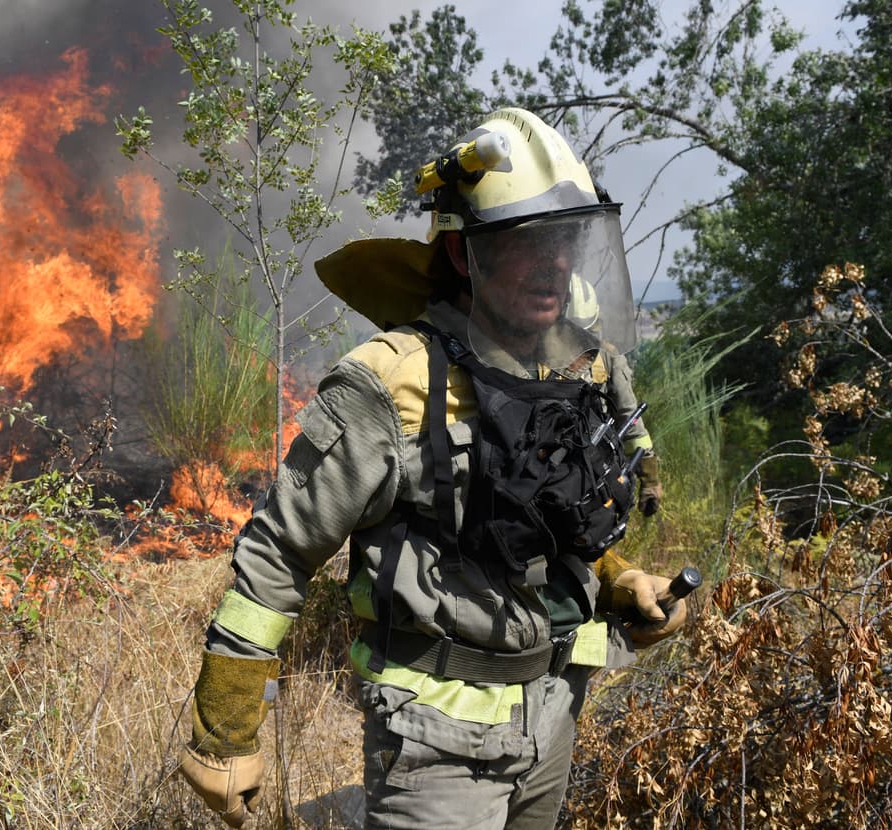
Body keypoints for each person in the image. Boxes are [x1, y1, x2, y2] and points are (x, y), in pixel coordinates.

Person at [177, 107, 688, 829]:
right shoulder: (390, 383)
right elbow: (278, 553)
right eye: (527, 244)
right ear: (461, 255)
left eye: (567, 240)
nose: (556, 266)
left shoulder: (577, 368)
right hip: (434, 745)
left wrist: (618, 580)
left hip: (553, 716)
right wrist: (226, 732)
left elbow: (537, 523)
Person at [566, 274, 664, 516]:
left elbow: (629, 418)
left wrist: (650, 479)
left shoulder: (607, 359)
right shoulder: (534, 359)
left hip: (595, 473)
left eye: (587, 332)